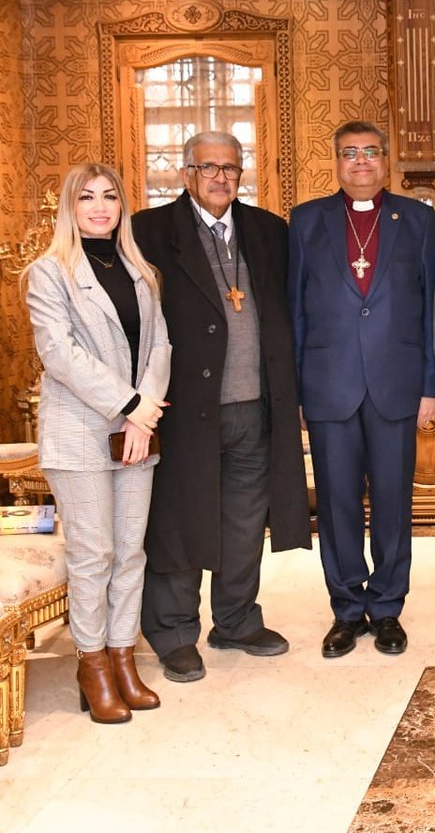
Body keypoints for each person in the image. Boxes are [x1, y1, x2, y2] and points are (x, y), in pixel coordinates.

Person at [132, 131, 310, 683]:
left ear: (241, 174)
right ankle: (174, 632)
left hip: (255, 405)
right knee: (181, 519)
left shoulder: (267, 230)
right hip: (184, 407)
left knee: (244, 520)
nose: (220, 177)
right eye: (207, 167)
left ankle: (236, 620)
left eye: (230, 168)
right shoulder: (148, 230)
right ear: (186, 173)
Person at [24, 162, 170, 722]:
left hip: (136, 433)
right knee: (94, 555)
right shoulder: (49, 272)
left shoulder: (141, 271)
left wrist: (143, 416)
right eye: (87, 197)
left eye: (109, 196)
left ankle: (123, 657)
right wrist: (130, 405)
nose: (100, 207)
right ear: (70, 206)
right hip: (80, 431)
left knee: (130, 551)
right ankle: (92, 666)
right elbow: (59, 354)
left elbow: (161, 347)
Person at [288, 121, 435, 659]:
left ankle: (388, 606)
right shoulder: (306, 220)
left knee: (394, 503)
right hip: (328, 384)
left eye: (370, 152)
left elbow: (431, 308)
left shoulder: (417, 219)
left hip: (397, 383)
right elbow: (294, 310)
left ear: (386, 159)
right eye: (349, 153)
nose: (360, 162)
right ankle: (347, 608)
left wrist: (430, 386)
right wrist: (298, 390)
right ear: (336, 161)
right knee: (336, 504)